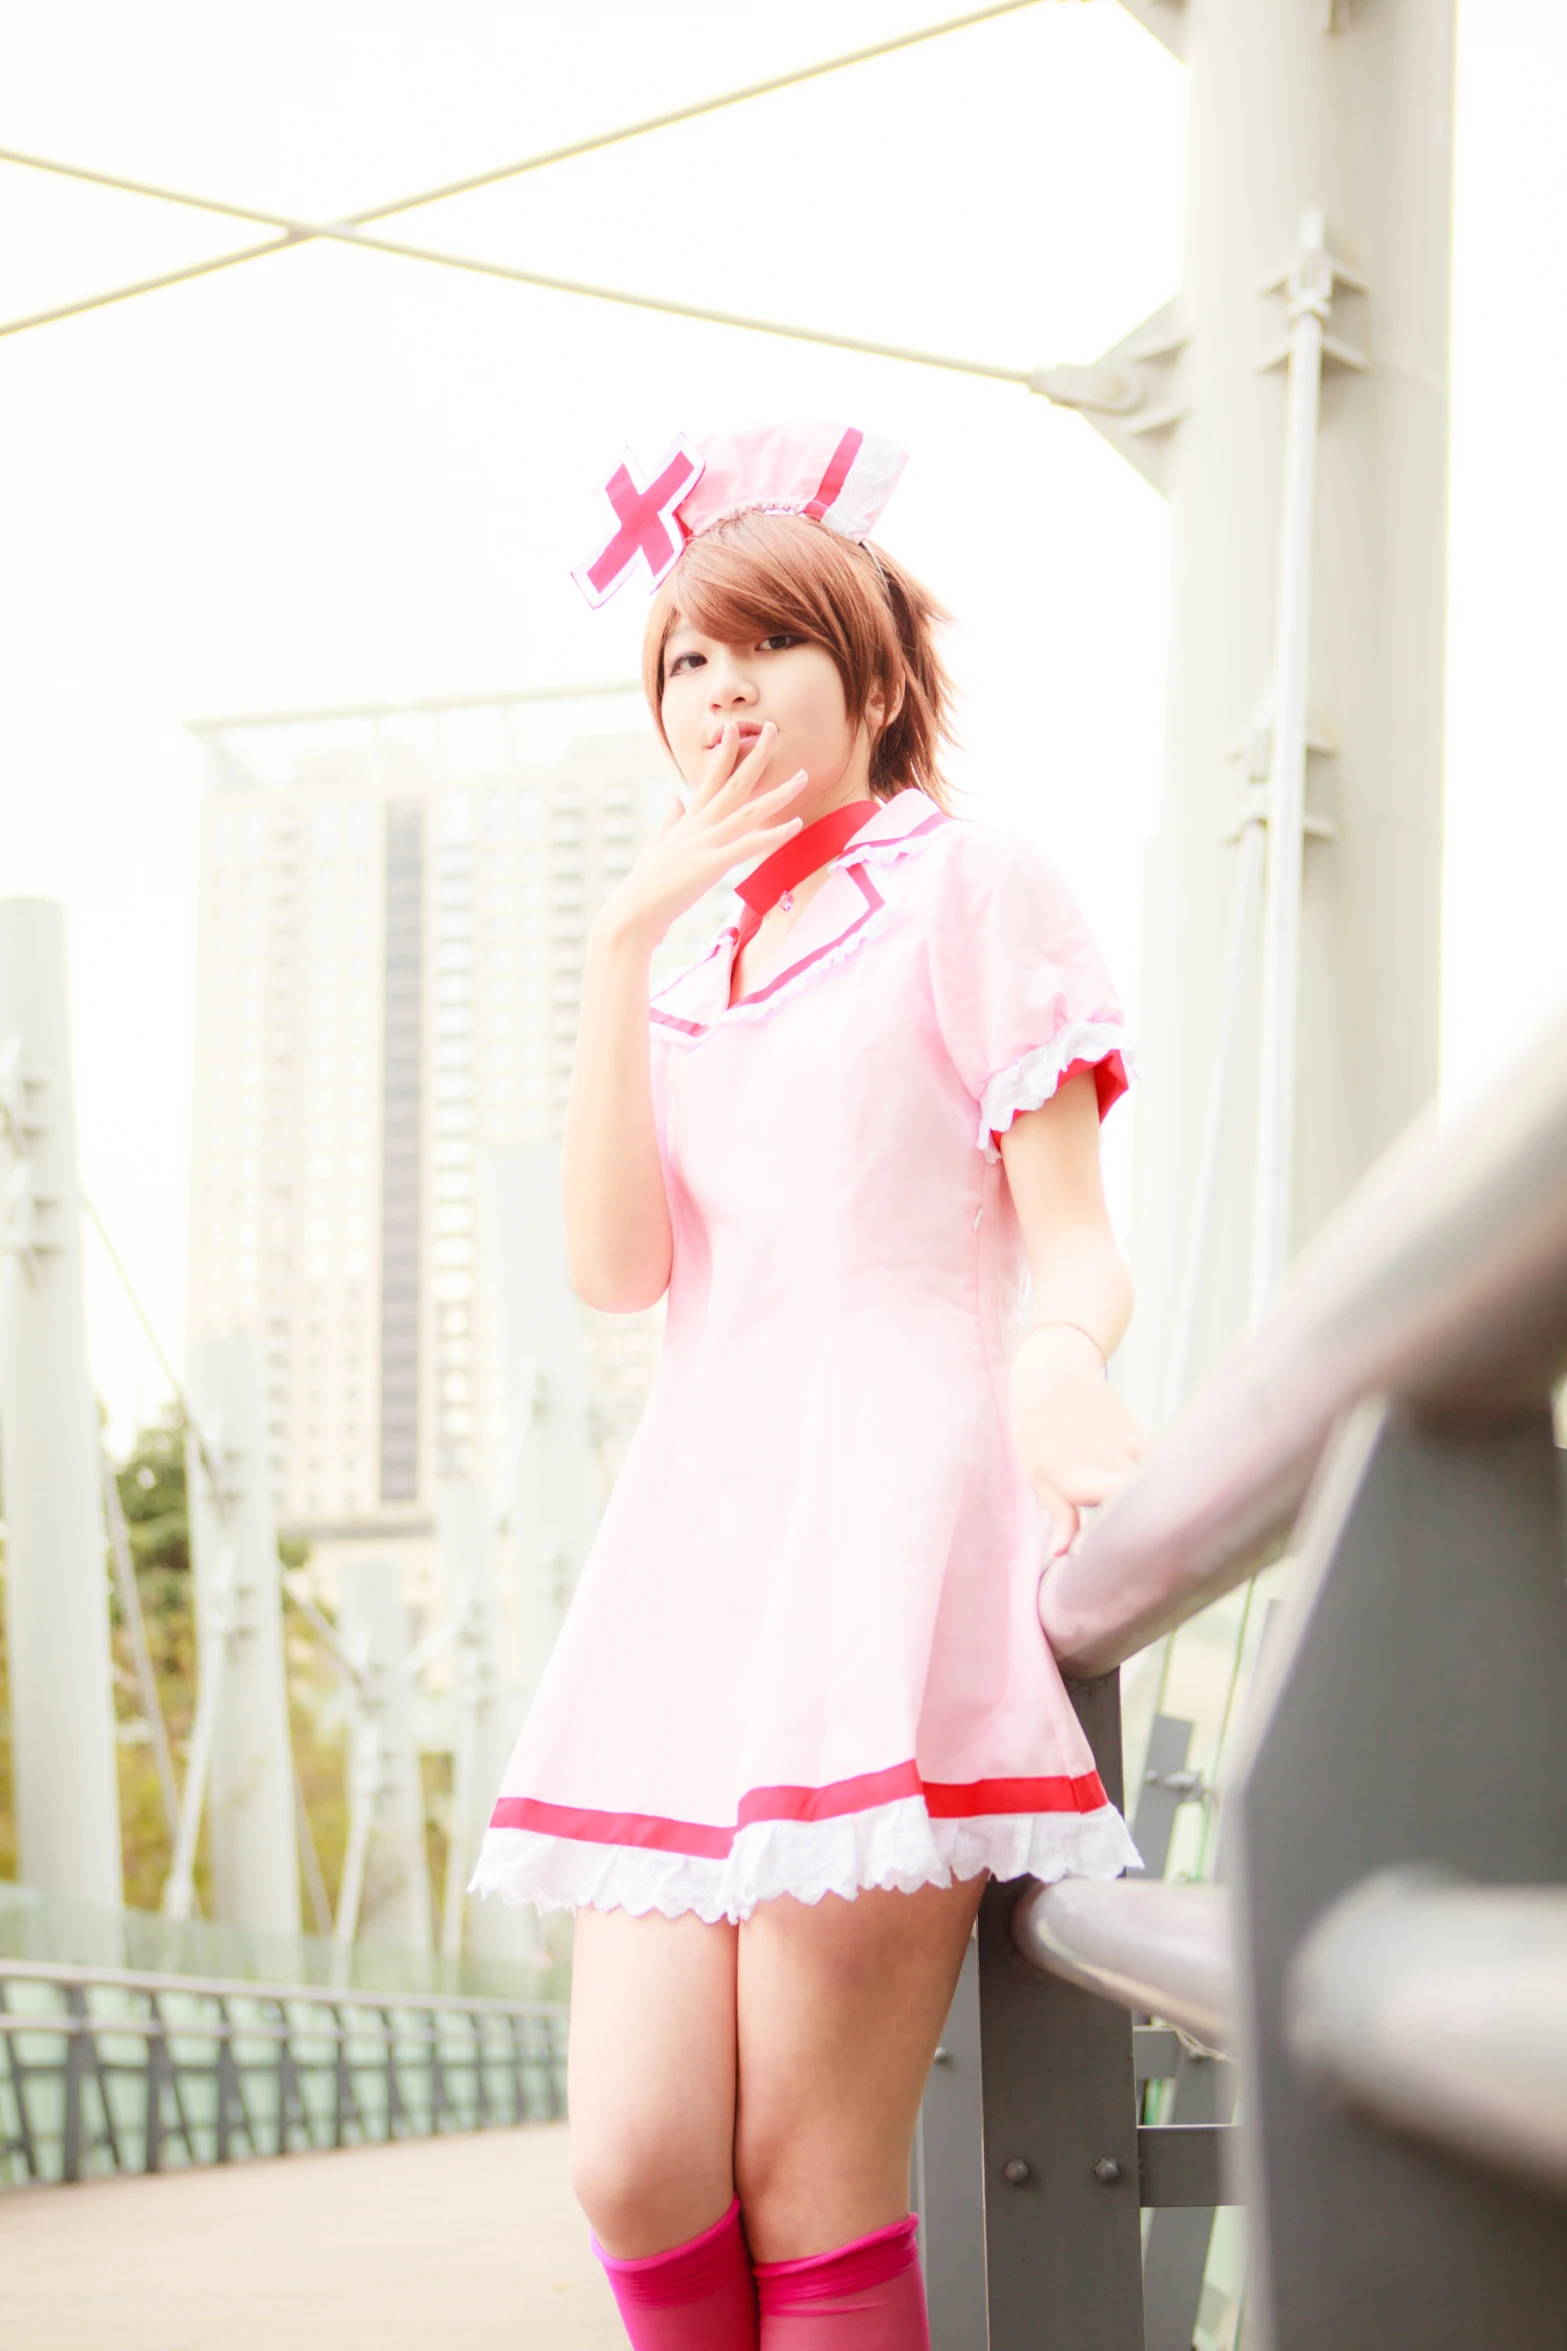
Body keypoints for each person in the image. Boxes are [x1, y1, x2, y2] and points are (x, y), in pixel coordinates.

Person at [471, 423, 1144, 2348]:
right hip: (695, 1562)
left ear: (867, 675)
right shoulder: (681, 963)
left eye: (762, 645)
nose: (719, 689)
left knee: (810, 2187)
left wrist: (1055, 1350)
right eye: (685, 660)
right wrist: (617, 946)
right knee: (632, 2159)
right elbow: (620, 1272)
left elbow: (1073, 1232)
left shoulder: (968, 882)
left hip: (888, 1532)